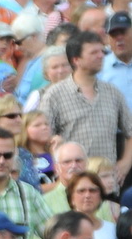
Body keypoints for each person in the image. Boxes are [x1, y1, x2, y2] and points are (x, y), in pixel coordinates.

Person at [40, 31, 132, 191]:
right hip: (73, 185)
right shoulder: (54, 95)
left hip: (107, 185)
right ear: (76, 60)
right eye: (93, 52)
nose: (101, 56)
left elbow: (130, 131)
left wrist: (125, 163)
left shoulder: (112, 92)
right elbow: (43, 138)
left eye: (102, 51)